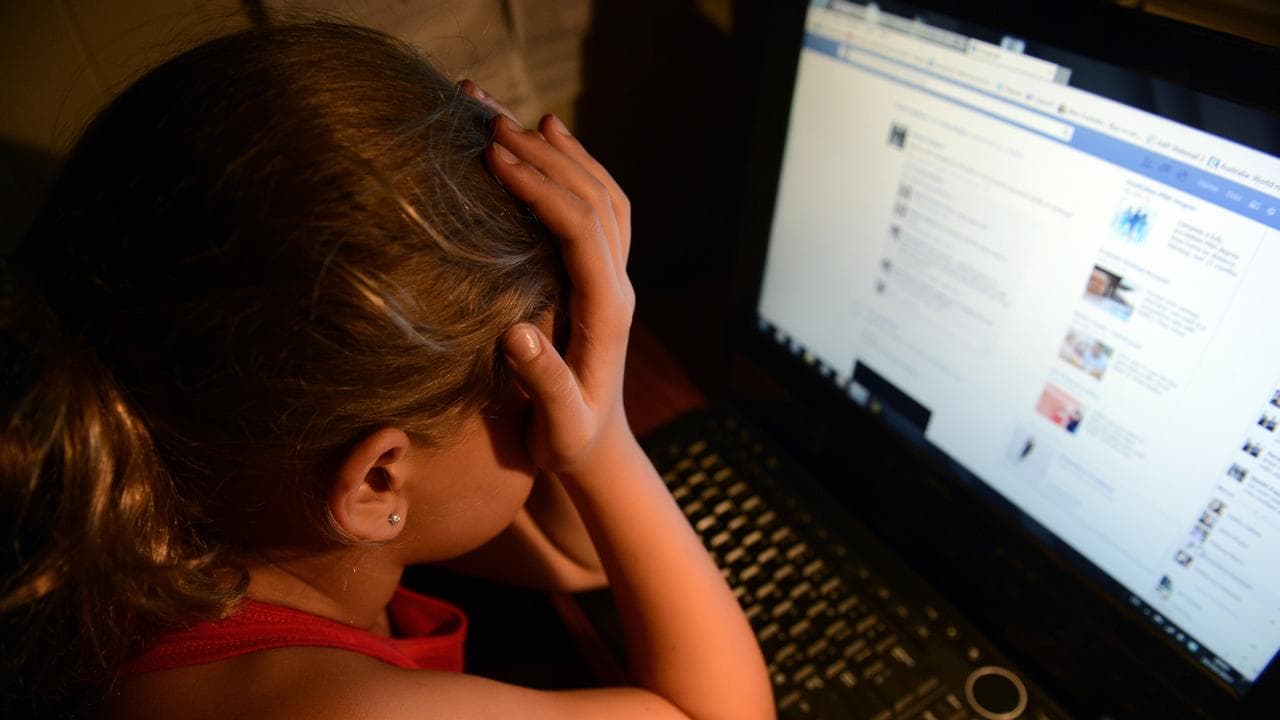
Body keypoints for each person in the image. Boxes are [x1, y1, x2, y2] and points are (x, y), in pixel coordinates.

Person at [0, 22, 772, 720]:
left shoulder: (209, 498)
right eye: (532, 391)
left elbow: (578, 559)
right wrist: (606, 447)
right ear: (376, 481)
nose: (560, 404)